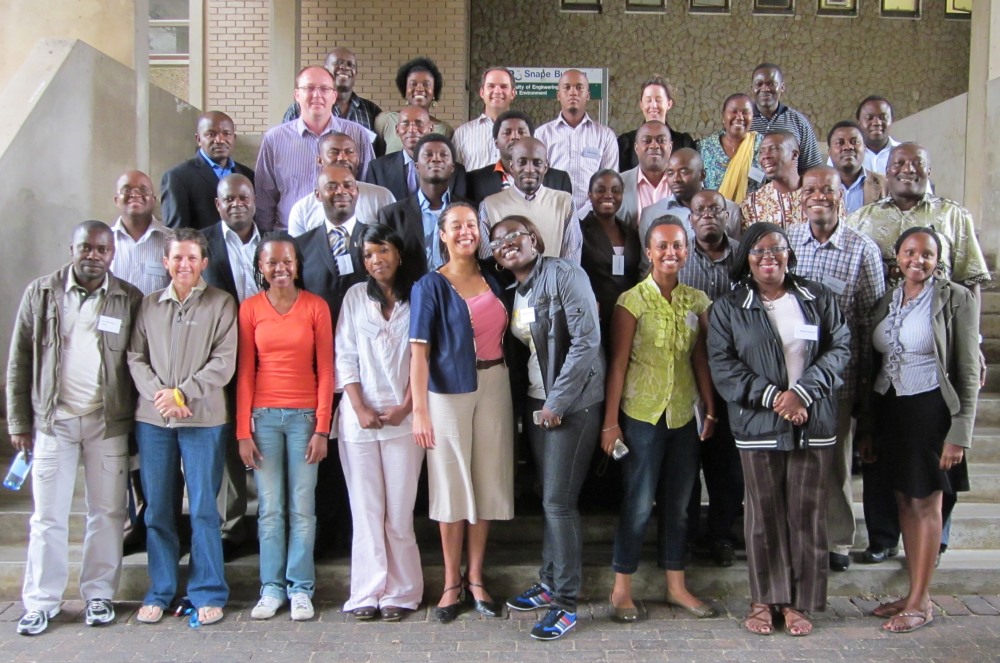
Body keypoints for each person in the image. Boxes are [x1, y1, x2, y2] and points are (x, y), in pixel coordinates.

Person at [708, 222, 851, 637]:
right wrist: (775, 397)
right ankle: (763, 600)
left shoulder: (817, 296)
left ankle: (798, 603)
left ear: (790, 255)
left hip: (813, 419)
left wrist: (802, 393)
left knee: (806, 514)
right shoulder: (729, 306)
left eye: (777, 249)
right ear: (746, 259)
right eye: (759, 251)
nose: (768, 257)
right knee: (763, 514)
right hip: (759, 423)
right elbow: (724, 366)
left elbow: (840, 348)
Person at [7, 221, 143, 636]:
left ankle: (99, 595)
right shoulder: (42, 293)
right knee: (48, 516)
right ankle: (41, 601)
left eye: (102, 249)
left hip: (106, 422)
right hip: (54, 422)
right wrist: (19, 421)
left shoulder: (128, 298)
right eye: (86, 247)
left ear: (112, 254)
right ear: (72, 249)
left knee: (107, 513)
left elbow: (136, 363)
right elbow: (19, 361)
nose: (93, 256)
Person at [859, 227, 979, 633]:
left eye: (927, 254)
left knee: (926, 503)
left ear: (937, 259)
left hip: (931, 410)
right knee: (904, 501)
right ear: (897, 256)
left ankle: (920, 602)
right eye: (910, 252)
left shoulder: (955, 298)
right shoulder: (888, 299)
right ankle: (915, 594)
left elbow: (966, 370)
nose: (918, 260)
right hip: (891, 408)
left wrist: (959, 433)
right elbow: (874, 362)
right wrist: (869, 424)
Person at [491, 216, 605, 641]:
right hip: (538, 400)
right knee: (548, 498)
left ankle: (566, 604)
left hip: (572, 402)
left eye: (515, 235)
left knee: (560, 502)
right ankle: (549, 582)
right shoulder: (515, 291)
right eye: (498, 241)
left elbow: (586, 341)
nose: (507, 243)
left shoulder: (564, 274)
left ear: (535, 240)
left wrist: (557, 402)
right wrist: (540, 404)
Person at [601, 217, 719, 624]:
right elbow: (617, 365)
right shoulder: (632, 301)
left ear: (688, 251)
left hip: (683, 415)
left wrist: (710, 407)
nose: (671, 253)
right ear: (649, 252)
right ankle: (621, 589)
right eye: (662, 246)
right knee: (638, 503)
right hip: (642, 416)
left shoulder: (696, 301)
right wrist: (610, 422)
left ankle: (676, 585)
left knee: (680, 505)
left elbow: (701, 358)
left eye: (678, 245)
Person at [409, 202, 514, 624]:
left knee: (487, 480)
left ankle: (476, 578)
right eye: (456, 225)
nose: (465, 231)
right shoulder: (430, 285)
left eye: (471, 224)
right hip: (447, 391)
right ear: (442, 234)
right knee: (451, 484)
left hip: (496, 382)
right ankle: (451, 583)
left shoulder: (494, 275)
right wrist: (419, 411)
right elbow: (419, 353)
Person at [127, 228, 238, 627]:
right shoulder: (149, 305)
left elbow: (224, 361)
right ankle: (160, 590)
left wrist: (182, 394)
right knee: (158, 508)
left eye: (192, 257)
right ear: (166, 262)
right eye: (177, 257)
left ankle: (207, 590)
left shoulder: (221, 303)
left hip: (202, 418)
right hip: (154, 421)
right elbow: (135, 356)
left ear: (203, 262)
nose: (184, 264)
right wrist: (161, 396)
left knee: (205, 508)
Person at [787, 167, 886, 572]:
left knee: (834, 465)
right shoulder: (788, 240)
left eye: (827, 189)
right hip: (791, 376)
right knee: (792, 462)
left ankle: (837, 540)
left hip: (837, 381)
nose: (818, 196)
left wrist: (864, 389)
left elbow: (871, 322)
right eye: (810, 189)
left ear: (840, 195)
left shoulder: (863, 249)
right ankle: (795, 537)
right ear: (801, 196)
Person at [237, 232, 333, 622]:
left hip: (304, 419)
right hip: (263, 419)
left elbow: (326, 370)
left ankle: (300, 588)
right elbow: (246, 372)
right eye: (272, 262)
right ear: (260, 267)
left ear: (297, 265)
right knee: (270, 509)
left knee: (303, 508)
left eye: (287, 261)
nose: (280, 268)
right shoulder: (250, 309)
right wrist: (243, 431)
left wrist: (322, 427)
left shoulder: (315, 307)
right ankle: (271, 588)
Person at [336, 224, 423, 621]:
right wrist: (359, 407)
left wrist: (407, 406)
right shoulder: (355, 296)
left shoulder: (418, 295)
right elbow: (345, 355)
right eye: (368, 255)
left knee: (399, 514)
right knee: (366, 511)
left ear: (399, 254)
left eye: (383, 251)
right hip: (360, 423)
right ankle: (367, 592)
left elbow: (425, 357)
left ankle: (401, 592)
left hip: (405, 421)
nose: (376, 260)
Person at [677, 190, 744, 567]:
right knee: (686, 462)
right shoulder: (679, 256)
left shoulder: (746, 256)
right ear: (690, 218)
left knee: (727, 465)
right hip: (686, 372)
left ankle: (721, 535)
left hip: (734, 375)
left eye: (715, 209)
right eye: (699, 210)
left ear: (727, 215)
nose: (707, 216)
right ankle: (684, 538)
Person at [108, 170, 171, 555]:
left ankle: (157, 514)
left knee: (155, 438)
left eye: (143, 190)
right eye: (127, 190)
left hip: (158, 356)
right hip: (113, 355)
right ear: (116, 199)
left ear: (154, 197)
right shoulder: (104, 242)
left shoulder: (169, 242)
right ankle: (134, 515)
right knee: (124, 438)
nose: (135, 195)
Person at [201, 174, 262, 559]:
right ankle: (232, 524)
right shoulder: (202, 243)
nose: (237, 203)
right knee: (226, 438)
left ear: (255, 200)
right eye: (229, 199)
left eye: (243, 197)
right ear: (217, 204)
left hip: (268, 355)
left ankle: (269, 517)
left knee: (266, 432)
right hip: (219, 355)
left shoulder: (274, 239)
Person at [255, 66, 375, 232]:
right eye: (309, 88)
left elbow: (368, 184)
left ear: (334, 96)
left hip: (345, 235)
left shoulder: (357, 134)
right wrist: (267, 237)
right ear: (297, 94)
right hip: (290, 236)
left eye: (324, 89)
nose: (317, 95)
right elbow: (264, 197)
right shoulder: (274, 139)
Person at [378, 133, 467, 278]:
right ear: (417, 166)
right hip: (411, 290)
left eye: (443, 155)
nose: (436, 158)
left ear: (452, 167)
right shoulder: (392, 215)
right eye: (428, 154)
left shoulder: (469, 211)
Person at [479, 137, 580, 263]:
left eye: (537, 163)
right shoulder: (489, 206)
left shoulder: (564, 202)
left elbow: (571, 263)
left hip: (555, 276)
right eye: (522, 162)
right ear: (511, 166)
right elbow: (487, 262)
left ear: (546, 167)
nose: (529, 170)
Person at [535, 69, 618, 212]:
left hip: (593, 216)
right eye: (567, 87)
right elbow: (536, 179)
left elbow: (609, 182)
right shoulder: (542, 135)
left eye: (579, 87)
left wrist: (584, 213)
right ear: (558, 95)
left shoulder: (605, 136)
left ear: (588, 95)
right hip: (552, 213)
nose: (573, 92)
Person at [639, 148, 742, 262]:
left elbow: (738, 256)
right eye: (670, 173)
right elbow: (648, 264)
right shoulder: (651, 214)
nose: (676, 179)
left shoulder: (730, 209)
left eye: (684, 172)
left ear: (702, 175)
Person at [160, 111, 255, 230]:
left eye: (226, 134)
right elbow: (177, 233)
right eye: (211, 134)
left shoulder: (248, 175)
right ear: (198, 139)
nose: (220, 140)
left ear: (234, 138)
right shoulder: (177, 177)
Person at [578, 169, 641, 348]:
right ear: (589, 195)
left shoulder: (631, 232)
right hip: (595, 317)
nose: (608, 195)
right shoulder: (579, 231)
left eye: (615, 190)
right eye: (600, 190)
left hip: (629, 316)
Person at [287, 132, 396, 235]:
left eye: (349, 152)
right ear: (320, 160)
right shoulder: (302, 209)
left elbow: (393, 242)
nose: (343, 158)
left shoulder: (382, 197)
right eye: (334, 152)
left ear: (358, 159)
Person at [464, 110, 573, 206]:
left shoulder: (559, 180)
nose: (515, 137)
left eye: (521, 132)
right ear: (496, 143)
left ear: (532, 138)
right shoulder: (475, 180)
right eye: (507, 133)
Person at [365, 105, 466, 201]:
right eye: (405, 124)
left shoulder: (456, 172)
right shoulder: (377, 169)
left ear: (431, 128)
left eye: (419, 123)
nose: (412, 130)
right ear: (397, 130)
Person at [282, 47, 382, 130]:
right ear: (326, 69)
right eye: (338, 62)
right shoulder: (297, 109)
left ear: (355, 73)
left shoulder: (372, 111)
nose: (345, 67)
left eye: (350, 64)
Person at [748, 63, 823, 173]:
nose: (765, 88)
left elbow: (812, 168)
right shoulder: (743, 122)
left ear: (782, 87)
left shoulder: (798, 122)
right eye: (759, 84)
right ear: (752, 88)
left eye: (771, 84)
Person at [374, 57, 454, 155]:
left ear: (434, 91)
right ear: (405, 90)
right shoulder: (386, 121)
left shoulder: (445, 130)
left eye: (426, 84)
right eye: (413, 84)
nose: (419, 88)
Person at [617, 75, 695, 172]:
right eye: (648, 100)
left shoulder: (684, 143)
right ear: (641, 105)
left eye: (658, 100)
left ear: (669, 104)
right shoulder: (626, 143)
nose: (653, 105)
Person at [699, 93, 765, 203]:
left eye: (745, 112)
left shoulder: (763, 145)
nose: (739, 117)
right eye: (734, 111)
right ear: (723, 115)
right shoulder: (704, 147)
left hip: (753, 212)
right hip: (713, 211)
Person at [740, 131, 807, 231]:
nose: (765, 156)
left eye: (774, 149)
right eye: (761, 152)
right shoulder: (751, 203)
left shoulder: (818, 194)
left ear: (794, 154)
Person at [453, 67, 517, 169]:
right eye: (491, 86)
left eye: (503, 86)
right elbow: (453, 172)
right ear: (482, 92)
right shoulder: (462, 133)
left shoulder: (525, 134)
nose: (497, 91)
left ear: (513, 93)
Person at [614, 121, 672, 229]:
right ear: (636, 148)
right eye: (647, 141)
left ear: (670, 147)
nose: (654, 145)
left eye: (661, 140)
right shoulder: (618, 183)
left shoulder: (685, 183)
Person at [826, 121, 887, 215]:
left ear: (865, 148)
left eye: (855, 142)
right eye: (840, 143)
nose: (848, 147)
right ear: (829, 152)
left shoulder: (884, 184)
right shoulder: (817, 186)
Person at [855, 96, 900, 175]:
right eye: (869, 118)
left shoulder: (904, 152)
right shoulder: (848, 155)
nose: (877, 123)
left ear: (892, 121)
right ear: (859, 122)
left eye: (883, 117)